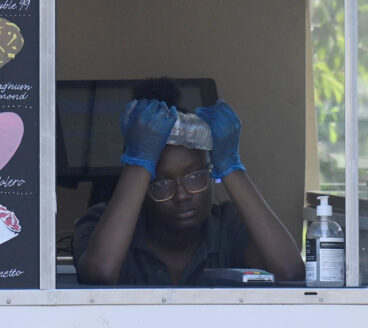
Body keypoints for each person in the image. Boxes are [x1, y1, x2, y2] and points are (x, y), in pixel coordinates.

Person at [73, 78, 305, 285]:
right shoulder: (98, 222)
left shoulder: (229, 225)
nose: (182, 195)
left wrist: (231, 167)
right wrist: (139, 163)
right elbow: (101, 273)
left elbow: (290, 272)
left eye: (195, 176)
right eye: (161, 183)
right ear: (140, 186)